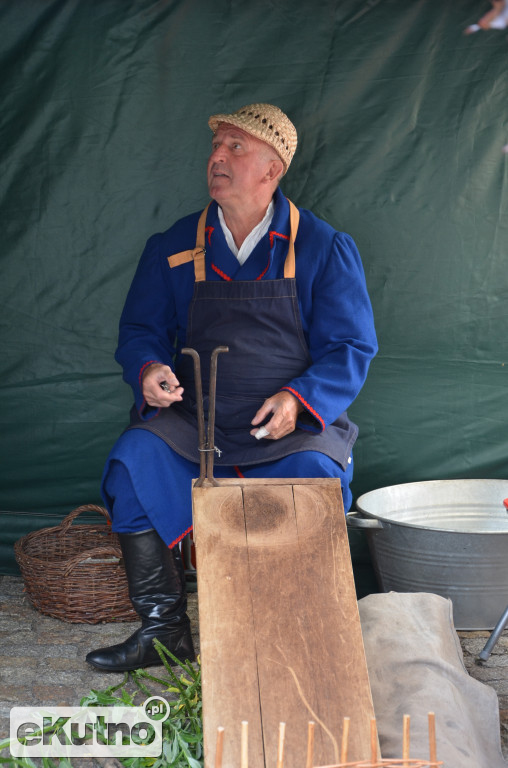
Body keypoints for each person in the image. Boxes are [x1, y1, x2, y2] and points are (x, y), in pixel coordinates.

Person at [86, 103, 378, 672]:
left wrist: (299, 399)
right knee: (131, 461)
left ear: (273, 170)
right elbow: (140, 331)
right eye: (217, 147)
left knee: (318, 480)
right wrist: (148, 370)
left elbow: (351, 347)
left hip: (286, 428)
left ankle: (293, 630)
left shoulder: (322, 246)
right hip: (193, 419)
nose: (217, 158)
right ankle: (164, 633)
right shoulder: (173, 245)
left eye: (235, 148)